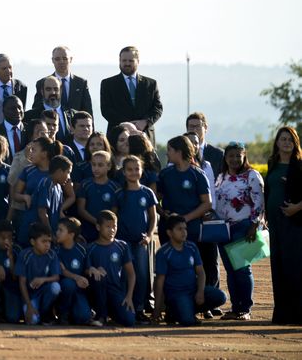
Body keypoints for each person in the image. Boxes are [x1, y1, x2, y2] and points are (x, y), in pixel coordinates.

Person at [157, 136, 213, 296]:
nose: (167, 154)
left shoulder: (198, 174)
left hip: (191, 230)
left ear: (179, 152)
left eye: (169, 150)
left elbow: (207, 203)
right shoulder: (165, 174)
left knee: (191, 267)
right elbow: (155, 198)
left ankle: (193, 302)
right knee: (169, 267)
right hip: (167, 230)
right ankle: (169, 305)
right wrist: (162, 212)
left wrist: (186, 219)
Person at [213, 142, 264, 321]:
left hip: (243, 227)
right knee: (230, 270)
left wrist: (254, 224)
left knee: (242, 269)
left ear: (244, 157)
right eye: (231, 156)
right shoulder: (221, 177)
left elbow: (259, 201)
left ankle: (245, 309)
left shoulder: (251, 176)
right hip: (223, 229)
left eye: (238, 155)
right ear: (225, 158)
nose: (234, 159)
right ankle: (235, 308)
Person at [153, 215, 227, 326]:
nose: (184, 232)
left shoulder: (191, 247)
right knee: (188, 321)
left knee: (220, 297)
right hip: (177, 294)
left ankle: (186, 311)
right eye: (179, 229)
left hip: (193, 290)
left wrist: (200, 291)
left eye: (185, 228)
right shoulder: (163, 252)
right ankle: (174, 311)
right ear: (169, 233)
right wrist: (157, 309)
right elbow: (159, 282)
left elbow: (201, 272)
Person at [265, 126, 302, 325]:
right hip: (276, 225)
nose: (286, 142)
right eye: (283, 139)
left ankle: (297, 314)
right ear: (277, 142)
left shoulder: (300, 165)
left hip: (295, 224)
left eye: (290, 139)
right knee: (278, 267)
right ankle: (282, 314)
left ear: (295, 143)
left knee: (294, 267)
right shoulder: (273, 163)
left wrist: (297, 207)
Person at [115, 156, 157, 324]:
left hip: (141, 242)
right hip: (122, 242)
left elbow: (153, 217)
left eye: (136, 169)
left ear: (141, 171)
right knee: (124, 275)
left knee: (141, 275)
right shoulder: (119, 193)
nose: (133, 172)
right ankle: (124, 306)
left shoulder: (147, 192)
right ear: (124, 172)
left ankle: (139, 308)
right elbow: (113, 217)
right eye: (130, 169)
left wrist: (149, 235)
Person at [100, 46, 162, 144]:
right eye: (124, 60)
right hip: (118, 138)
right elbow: (106, 110)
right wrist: (127, 125)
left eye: (131, 60)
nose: (127, 63)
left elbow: (157, 108)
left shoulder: (150, 84)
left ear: (138, 61)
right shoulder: (108, 84)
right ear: (119, 61)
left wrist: (145, 122)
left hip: (144, 135)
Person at [85, 210, 136, 327]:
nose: (112, 230)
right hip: (96, 290)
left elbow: (131, 274)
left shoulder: (122, 246)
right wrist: (93, 269)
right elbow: (86, 270)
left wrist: (129, 296)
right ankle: (101, 316)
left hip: (115, 290)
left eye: (114, 226)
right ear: (98, 227)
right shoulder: (90, 248)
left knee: (129, 320)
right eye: (108, 226)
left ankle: (111, 312)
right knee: (99, 277)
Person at [16, 222, 61, 325]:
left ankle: (46, 314)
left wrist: (43, 279)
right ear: (33, 242)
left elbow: (56, 277)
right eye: (43, 241)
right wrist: (29, 306)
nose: (47, 244)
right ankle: (35, 311)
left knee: (55, 287)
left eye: (49, 241)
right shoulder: (25, 255)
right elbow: (22, 283)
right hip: (30, 296)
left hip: (44, 292)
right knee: (32, 321)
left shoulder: (52, 254)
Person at [55, 218, 97, 326]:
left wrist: (92, 269)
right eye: (57, 230)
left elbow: (86, 269)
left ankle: (83, 311)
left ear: (71, 234)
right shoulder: (56, 250)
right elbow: (62, 271)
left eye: (61, 230)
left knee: (83, 317)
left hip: (79, 290)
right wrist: (76, 277)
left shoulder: (81, 250)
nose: (57, 233)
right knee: (68, 284)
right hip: (63, 289)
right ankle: (62, 313)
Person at [32, 46, 93, 115]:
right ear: (52, 60)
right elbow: (36, 109)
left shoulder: (81, 83)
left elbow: (88, 111)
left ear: (71, 59)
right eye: (57, 59)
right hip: (51, 123)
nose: (61, 62)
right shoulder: (43, 83)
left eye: (65, 58)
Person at [76, 150, 119, 244]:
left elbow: (115, 210)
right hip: (87, 231)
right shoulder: (85, 184)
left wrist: (105, 224)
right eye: (93, 165)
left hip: (107, 233)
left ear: (109, 166)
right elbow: (81, 210)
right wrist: (97, 222)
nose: (96, 168)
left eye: (100, 165)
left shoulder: (115, 187)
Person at [26, 76, 73, 143]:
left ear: (61, 91)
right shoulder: (29, 116)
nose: (53, 92)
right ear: (42, 91)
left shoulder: (72, 114)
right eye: (48, 89)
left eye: (56, 89)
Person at [186, 112, 224, 180]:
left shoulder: (218, 154)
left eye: (198, 126)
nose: (194, 129)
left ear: (205, 128)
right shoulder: (178, 152)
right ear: (187, 129)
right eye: (191, 126)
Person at [0, 95, 25, 161]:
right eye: (12, 108)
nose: (17, 111)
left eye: (19, 107)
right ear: (3, 111)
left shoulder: (30, 130)